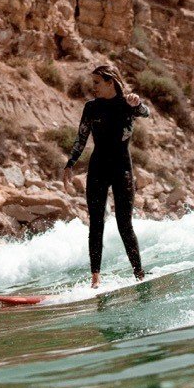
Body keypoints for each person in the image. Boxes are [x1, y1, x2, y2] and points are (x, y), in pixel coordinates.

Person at [62, 64, 149, 287]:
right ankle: (95, 279)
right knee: (96, 223)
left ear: (111, 82)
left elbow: (145, 112)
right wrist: (70, 164)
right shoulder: (91, 107)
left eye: (97, 82)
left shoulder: (127, 104)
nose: (93, 87)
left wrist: (137, 103)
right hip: (98, 168)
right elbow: (81, 138)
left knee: (124, 224)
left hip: (122, 170)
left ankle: (139, 274)